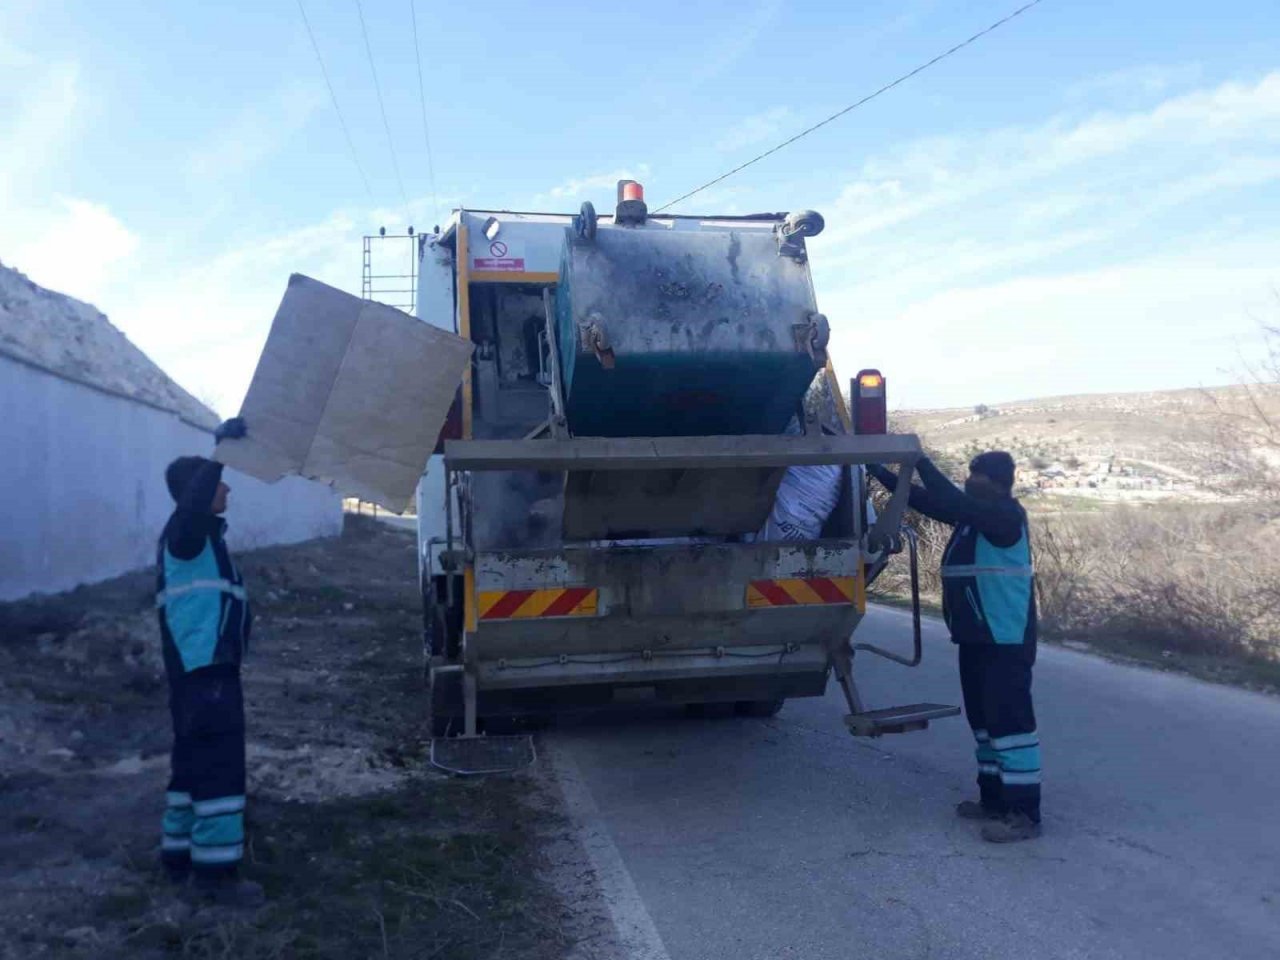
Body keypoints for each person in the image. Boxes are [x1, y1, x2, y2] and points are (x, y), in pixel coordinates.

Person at [867, 452, 1041, 843]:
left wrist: (920, 461)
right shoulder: (972, 520)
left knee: (1010, 725)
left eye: (977, 476)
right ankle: (994, 800)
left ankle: (1024, 813)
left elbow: (950, 499)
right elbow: (926, 500)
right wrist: (878, 471)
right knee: (984, 723)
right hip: (976, 636)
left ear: (998, 482)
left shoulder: (1004, 516)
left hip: (1004, 638)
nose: (970, 481)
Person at [156, 417, 266, 905]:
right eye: (220, 483)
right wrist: (220, 452)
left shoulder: (198, 541)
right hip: (206, 672)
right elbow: (196, 500)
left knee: (191, 763)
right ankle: (217, 877)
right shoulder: (186, 533)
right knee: (220, 766)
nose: (227, 489)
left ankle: (178, 856)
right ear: (197, 491)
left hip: (197, 672)